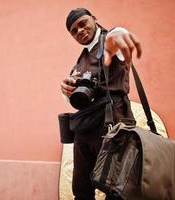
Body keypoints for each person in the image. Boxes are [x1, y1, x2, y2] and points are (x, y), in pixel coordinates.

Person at [60, 8, 142, 200]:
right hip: (85, 129)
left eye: (82, 23)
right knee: (80, 189)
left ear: (94, 19)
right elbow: (76, 97)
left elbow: (118, 35)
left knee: (116, 189)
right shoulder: (81, 59)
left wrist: (118, 34)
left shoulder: (110, 42)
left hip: (113, 126)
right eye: (73, 30)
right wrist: (66, 89)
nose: (79, 30)